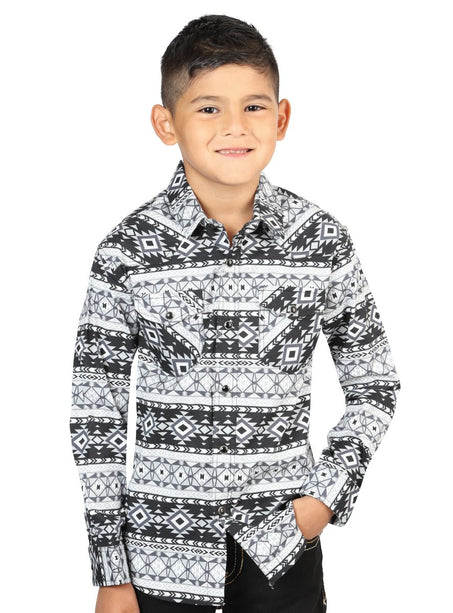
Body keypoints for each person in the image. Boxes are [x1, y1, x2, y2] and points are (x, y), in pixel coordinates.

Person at [70, 13, 401, 613]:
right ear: (165, 123)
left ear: (281, 118)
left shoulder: (322, 242)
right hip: (160, 561)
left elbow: (374, 384)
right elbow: (97, 415)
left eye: (253, 106)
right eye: (208, 108)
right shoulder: (126, 252)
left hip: (283, 558)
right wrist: (112, 573)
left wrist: (319, 504)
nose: (234, 127)